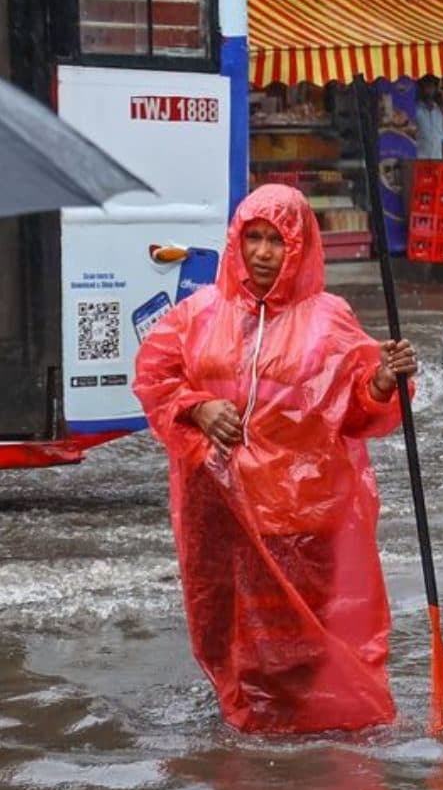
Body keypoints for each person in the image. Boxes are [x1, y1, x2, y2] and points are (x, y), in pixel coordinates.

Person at [132, 184, 416, 733]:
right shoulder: (197, 315)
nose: (263, 253)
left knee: (305, 646)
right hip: (218, 517)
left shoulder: (329, 318)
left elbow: (355, 407)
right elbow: (154, 379)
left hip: (303, 521)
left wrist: (382, 380)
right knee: (234, 640)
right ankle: (257, 744)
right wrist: (197, 407)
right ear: (236, 243)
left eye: (276, 241)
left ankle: (305, 752)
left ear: (300, 248)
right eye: (253, 238)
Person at [414, 74, 443, 160]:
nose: (428, 90)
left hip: (437, 158)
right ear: (421, 88)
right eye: (426, 86)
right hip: (420, 159)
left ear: (435, 89)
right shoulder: (416, 110)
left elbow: (441, 134)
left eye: (431, 87)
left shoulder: (438, 111)